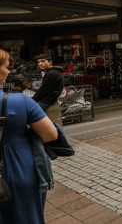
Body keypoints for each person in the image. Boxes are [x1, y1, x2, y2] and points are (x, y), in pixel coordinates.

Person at [0, 49, 58, 224]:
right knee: (26, 216)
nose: (9, 71)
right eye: (5, 66)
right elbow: (50, 135)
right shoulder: (19, 101)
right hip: (18, 165)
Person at [31, 54, 64, 127]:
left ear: (50, 62)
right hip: (50, 100)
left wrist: (32, 101)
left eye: (43, 61)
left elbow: (43, 90)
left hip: (47, 101)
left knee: (30, 115)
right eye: (38, 62)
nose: (40, 64)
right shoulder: (53, 72)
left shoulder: (51, 74)